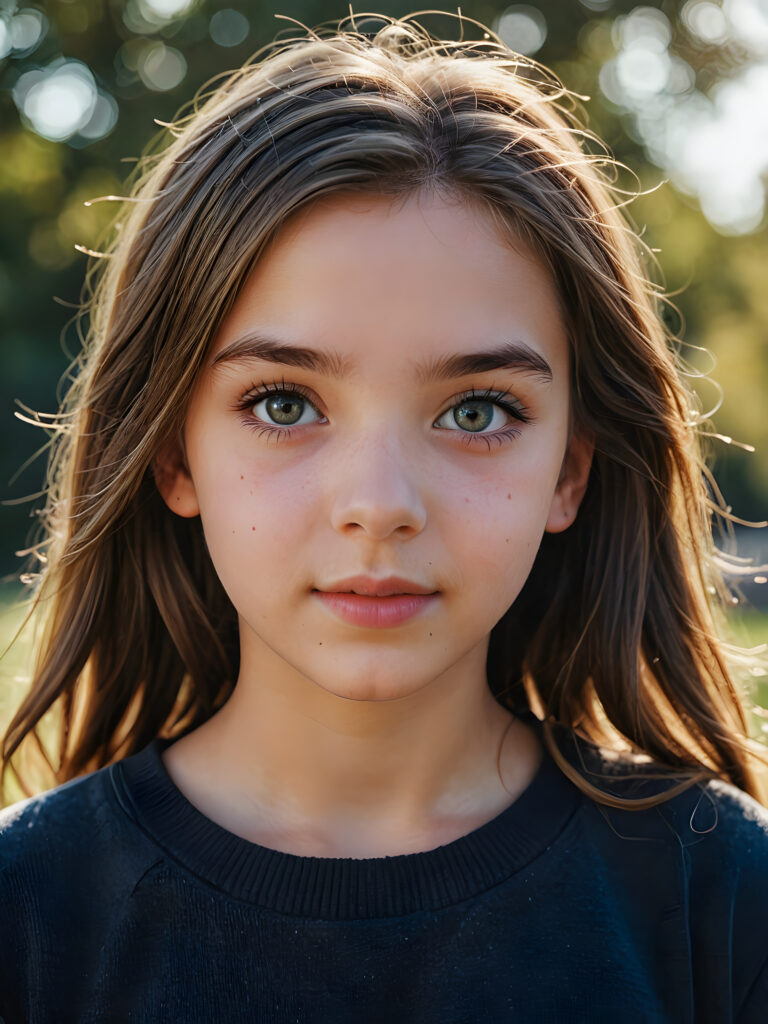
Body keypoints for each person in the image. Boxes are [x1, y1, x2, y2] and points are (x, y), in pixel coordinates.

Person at [1, 10, 767, 1022]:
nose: (379, 506)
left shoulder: (719, 895)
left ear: (570, 474)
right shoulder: (28, 910)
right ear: (172, 453)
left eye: (478, 411)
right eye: (283, 404)